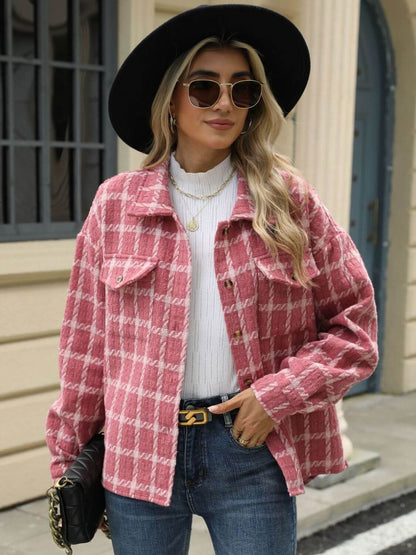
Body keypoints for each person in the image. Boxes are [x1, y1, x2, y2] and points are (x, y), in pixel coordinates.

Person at [46, 4, 378, 555]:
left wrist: (277, 396)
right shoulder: (117, 204)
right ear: (173, 100)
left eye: (242, 90)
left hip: (248, 448)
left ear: (254, 106)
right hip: (138, 446)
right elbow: (86, 348)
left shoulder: (290, 203)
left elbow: (356, 329)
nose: (224, 102)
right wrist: (69, 461)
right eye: (204, 88)